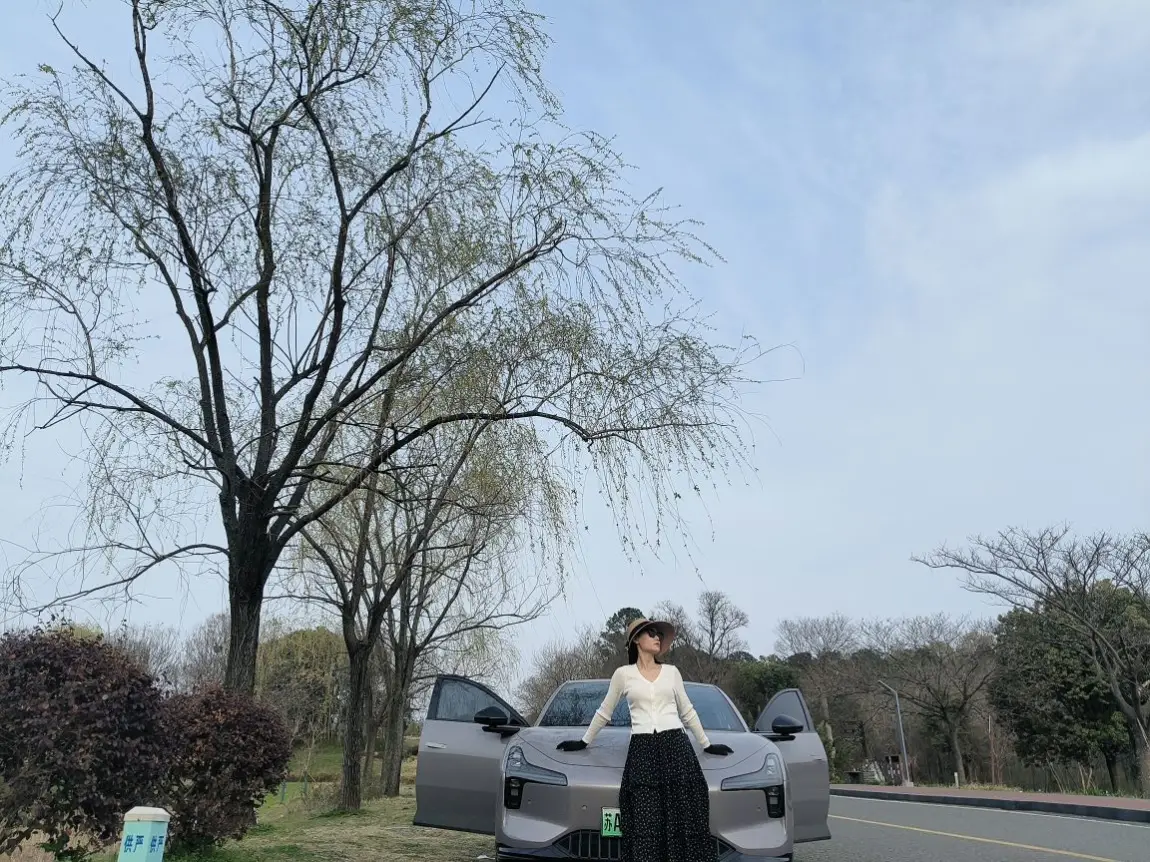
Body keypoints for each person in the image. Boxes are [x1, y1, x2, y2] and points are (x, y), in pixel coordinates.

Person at [556, 617, 733, 862]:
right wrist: (584, 741)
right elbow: (605, 711)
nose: (657, 637)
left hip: (676, 747)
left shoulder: (672, 673)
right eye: (651, 633)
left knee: (683, 816)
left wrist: (706, 743)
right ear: (636, 640)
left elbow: (687, 711)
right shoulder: (623, 675)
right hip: (643, 750)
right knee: (645, 819)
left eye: (659, 634)